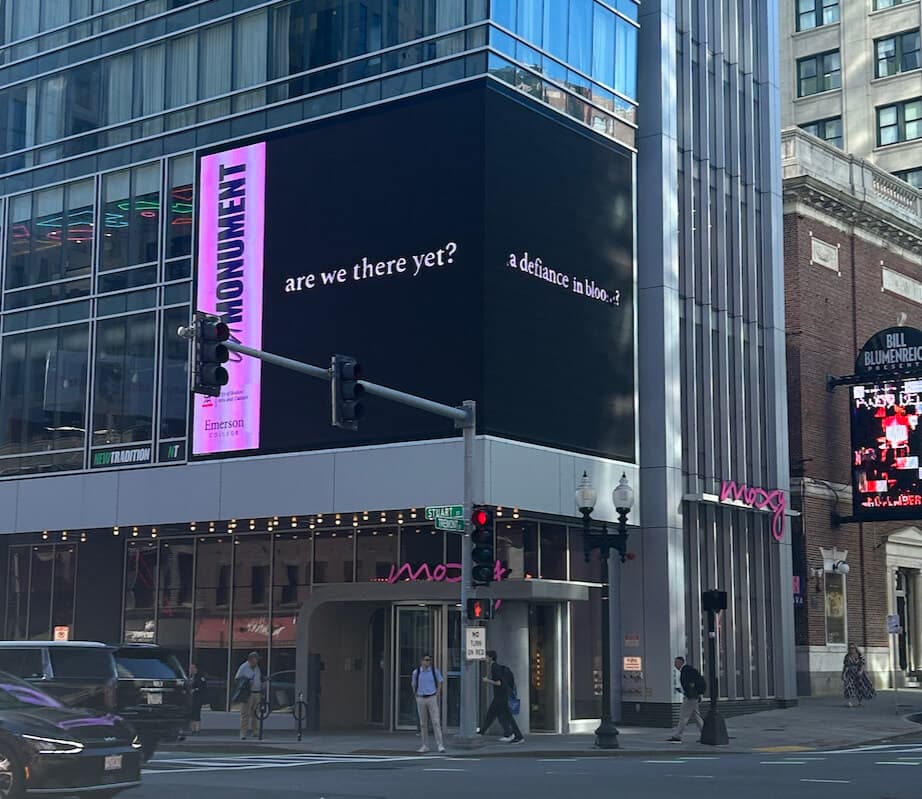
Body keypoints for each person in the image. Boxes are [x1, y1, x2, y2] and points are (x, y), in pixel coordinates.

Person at [478, 650, 524, 743]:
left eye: (486, 656)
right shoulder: (495, 667)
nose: (485, 658)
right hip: (501, 695)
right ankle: (509, 733)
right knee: (500, 716)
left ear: (490, 657)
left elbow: (499, 682)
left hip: (500, 696)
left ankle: (518, 736)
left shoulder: (494, 667)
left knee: (495, 715)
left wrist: (487, 680)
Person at [411, 654, 445, 754]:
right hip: (421, 697)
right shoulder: (416, 672)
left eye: (429, 660)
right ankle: (425, 745)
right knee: (423, 723)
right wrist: (416, 696)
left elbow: (440, 682)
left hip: (431, 697)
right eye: (426, 660)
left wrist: (437, 693)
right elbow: (413, 684)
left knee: (436, 722)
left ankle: (440, 745)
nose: (428, 662)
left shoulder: (434, 671)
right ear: (421, 661)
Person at [668, 656, 705, 742]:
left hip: (690, 697)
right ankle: (704, 734)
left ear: (681, 662)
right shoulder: (687, 670)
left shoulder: (686, 670)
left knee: (683, 716)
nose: (675, 665)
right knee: (696, 715)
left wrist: (689, 693)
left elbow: (690, 684)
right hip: (694, 696)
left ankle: (677, 735)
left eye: (676, 663)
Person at [233, 651, 263, 740]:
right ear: (250, 659)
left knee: (255, 713)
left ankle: (255, 731)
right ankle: (243, 732)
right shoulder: (243, 667)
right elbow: (237, 679)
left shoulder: (257, 668)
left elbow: (258, 677)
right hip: (248, 693)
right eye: (255, 659)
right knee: (245, 713)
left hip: (257, 692)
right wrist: (246, 682)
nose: (257, 661)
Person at [842, 643, 876, 707]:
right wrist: (843, 674)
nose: (851, 649)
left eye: (853, 648)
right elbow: (846, 666)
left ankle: (859, 702)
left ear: (856, 648)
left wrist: (860, 671)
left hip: (858, 673)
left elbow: (863, 664)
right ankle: (849, 702)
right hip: (850, 673)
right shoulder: (847, 656)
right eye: (850, 648)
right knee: (849, 687)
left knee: (859, 687)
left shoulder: (860, 655)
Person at [187, 663, 208, 735]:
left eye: (192, 668)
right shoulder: (189, 677)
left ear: (196, 669)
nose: (191, 670)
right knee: (191, 713)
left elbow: (203, 686)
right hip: (190, 698)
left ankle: (197, 729)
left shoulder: (200, 676)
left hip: (198, 698)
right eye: (190, 668)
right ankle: (192, 729)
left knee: (196, 713)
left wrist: (195, 689)